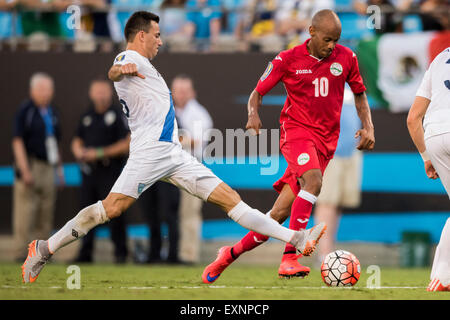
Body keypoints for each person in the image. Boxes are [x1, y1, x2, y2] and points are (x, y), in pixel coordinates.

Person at [21, 11, 326, 283]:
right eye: (156, 35)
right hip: (149, 154)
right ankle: (45, 248)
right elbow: (115, 69)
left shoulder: (146, 66)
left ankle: (297, 238)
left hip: (173, 155)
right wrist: (120, 71)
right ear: (140, 36)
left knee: (232, 200)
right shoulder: (129, 59)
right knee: (109, 209)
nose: (161, 41)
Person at [202, 9, 375, 283]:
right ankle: (290, 258)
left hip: (325, 143)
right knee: (314, 182)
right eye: (328, 39)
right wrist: (253, 114)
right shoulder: (287, 59)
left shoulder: (346, 57)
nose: (332, 46)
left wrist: (369, 126)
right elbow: (257, 93)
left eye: (336, 40)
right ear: (312, 32)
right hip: (296, 133)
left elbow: (360, 95)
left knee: (278, 215)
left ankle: (228, 255)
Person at [71, 77, 130, 263]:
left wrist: (98, 153)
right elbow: (77, 139)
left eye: (104, 91)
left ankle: (121, 254)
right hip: (89, 174)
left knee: (114, 212)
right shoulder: (87, 115)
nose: (101, 95)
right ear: (91, 94)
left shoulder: (117, 115)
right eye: (97, 91)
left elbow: (127, 143)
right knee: (86, 212)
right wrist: (78, 151)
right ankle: (85, 253)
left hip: (110, 172)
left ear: (110, 93)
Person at [406, 47, 450, 292]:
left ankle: (441, 276)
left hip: (434, 135)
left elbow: (413, 118)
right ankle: (442, 276)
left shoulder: (440, 58)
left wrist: (426, 157)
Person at [12, 72, 64, 262]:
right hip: (30, 163)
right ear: (32, 90)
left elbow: (55, 142)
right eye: (41, 89)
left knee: (46, 210)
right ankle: (21, 252)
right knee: (26, 211)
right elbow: (17, 141)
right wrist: (24, 169)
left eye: (48, 89)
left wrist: (59, 169)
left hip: (48, 165)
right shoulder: (26, 111)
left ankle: (42, 253)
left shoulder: (52, 112)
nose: (45, 93)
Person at [314, 86, 363, 262]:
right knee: (326, 202)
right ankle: (323, 254)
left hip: (350, 151)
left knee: (337, 203)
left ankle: (329, 249)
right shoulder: (322, 79)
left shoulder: (350, 83)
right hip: (329, 152)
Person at [172, 74, 213, 264]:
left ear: (192, 92)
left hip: (190, 170)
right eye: (178, 91)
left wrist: (175, 139)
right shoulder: (167, 110)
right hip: (168, 170)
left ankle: (188, 255)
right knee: (170, 213)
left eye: (184, 91)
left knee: (189, 213)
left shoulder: (200, 114)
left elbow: (197, 141)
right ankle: (171, 253)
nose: (180, 95)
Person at [137, 181, 181, 263]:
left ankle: (173, 256)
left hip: (167, 176)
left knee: (171, 216)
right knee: (151, 216)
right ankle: (154, 255)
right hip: (148, 177)